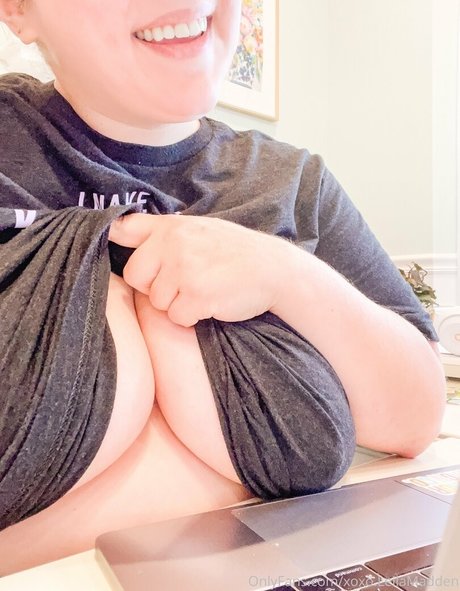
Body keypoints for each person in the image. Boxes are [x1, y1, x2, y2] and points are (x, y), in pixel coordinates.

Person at [0, 0, 446, 575]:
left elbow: (416, 415)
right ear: (18, 10)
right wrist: (236, 485)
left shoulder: (294, 182)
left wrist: (283, 274)